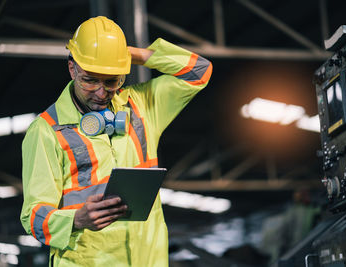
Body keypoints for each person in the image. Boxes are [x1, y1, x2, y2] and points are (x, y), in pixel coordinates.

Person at [20, 16, 212, 266]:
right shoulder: (46, 131)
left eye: (112, 81)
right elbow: (33, 217)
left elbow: (198, 72)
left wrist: (129, 55)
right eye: (90, 79)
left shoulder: (141, 106)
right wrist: (76, 219)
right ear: (72, 69)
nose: (101, 92)